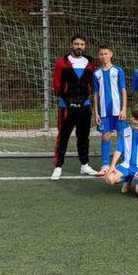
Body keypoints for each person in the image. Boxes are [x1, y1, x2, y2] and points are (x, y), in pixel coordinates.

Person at [51, 35, 98, 180]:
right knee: (63, 137)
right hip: (66, 106)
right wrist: (67, 99)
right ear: (72, 45)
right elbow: (57, 83)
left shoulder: (90, 63)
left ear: (85, 46)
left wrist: (85, 97)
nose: (79, 47)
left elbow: (91, 84)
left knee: (83, 137)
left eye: (82, 44)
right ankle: (58, 166)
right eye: (76, 44)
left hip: (84, 106)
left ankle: (84, 165)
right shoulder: (62, 63)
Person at [104, 105, 138, 198]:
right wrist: (112, 166)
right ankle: (127, 178)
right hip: (126, 165)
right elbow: (118, 150)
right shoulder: (125, 131)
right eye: (136, 119)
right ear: (131, 118)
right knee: (109, 179)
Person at [92, 45, 128, 176]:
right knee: (106, 136)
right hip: (104, 111)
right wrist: (96, 112)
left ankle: (126, 162)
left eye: (106, 53)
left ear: (111, 54)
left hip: (118, 110)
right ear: (99, 56)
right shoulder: (96, 73)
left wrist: (124, 109)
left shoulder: (118, 71)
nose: (104, 56)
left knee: (122, 136)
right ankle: (105, 164)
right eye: (101, 54)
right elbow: (96, 94)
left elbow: (123, 90)